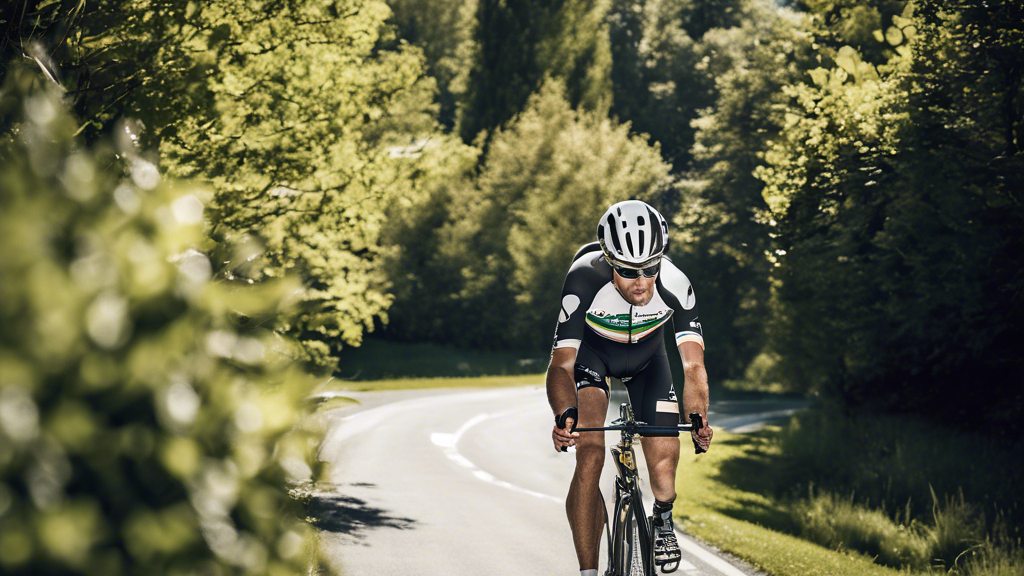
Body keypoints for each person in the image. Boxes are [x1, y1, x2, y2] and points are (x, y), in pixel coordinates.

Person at [546, 200, 713, 576]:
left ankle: (663, 518)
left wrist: (698, 417)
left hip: (649, 363)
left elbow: (693, 364)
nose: (641, 280)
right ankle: (589, 570)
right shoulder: (583, 279)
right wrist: (564, 414)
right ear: (609, 261)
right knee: (589, 453)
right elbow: (561, 363)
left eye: (649, 268)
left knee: (664, 469)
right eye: (627, 270)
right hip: (595, 359)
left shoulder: (675, 285)